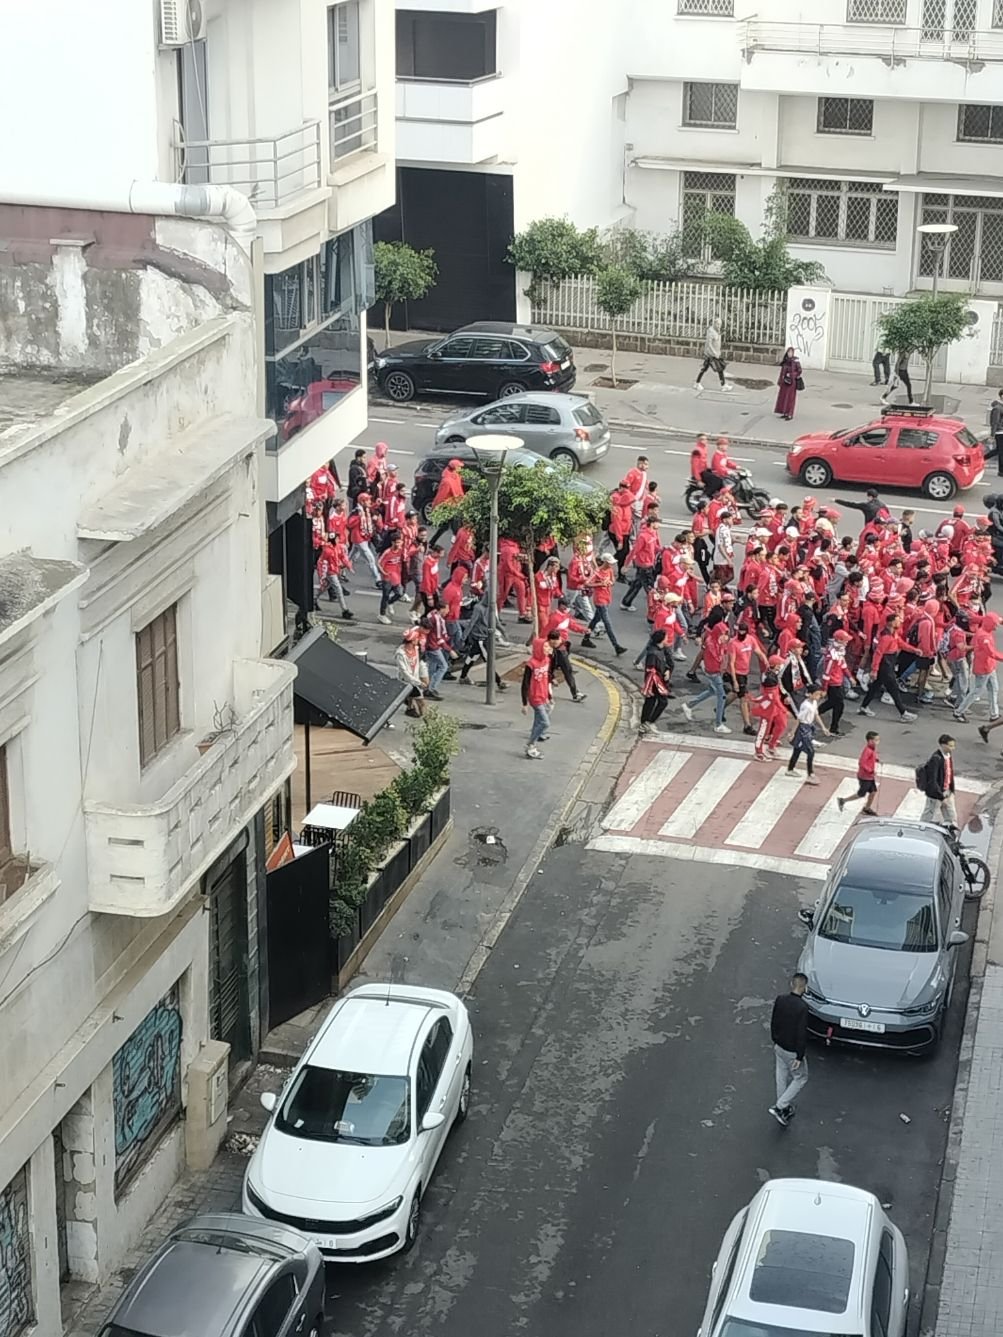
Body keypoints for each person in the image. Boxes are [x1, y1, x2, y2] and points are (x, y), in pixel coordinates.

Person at [769, 973, 809, 1128]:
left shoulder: (780, 1000)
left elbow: (774, 1021)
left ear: (791, 984)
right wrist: (800, 1056)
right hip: (792, 1050)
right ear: (804, 987)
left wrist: (775, 1039)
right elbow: (801, 1033)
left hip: (779, 1046)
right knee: (801, 1077)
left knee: (781, 1074)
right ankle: (780, 1106)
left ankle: (784, 1108)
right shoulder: (802, 1008)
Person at [786, 685, 829, 784]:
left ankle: (790, 769)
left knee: (797, 749)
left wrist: (823, 728)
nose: (819, 696)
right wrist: (792, 733)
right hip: (803, 729)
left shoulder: (814, 702)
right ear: (809, 694)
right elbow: (799, 719)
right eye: (817, 694)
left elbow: (816, 714)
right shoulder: (806, 706)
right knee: (810, 751)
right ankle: (810, 774)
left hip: (808, 727)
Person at [587, 554, 628, 654]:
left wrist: (610, 582)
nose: (612, 565)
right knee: (607, 622)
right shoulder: (597, 572)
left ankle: (586, 637)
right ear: (605, 562)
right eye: (610, 563)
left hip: (607, 597)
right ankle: (616, 645)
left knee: (596, 619)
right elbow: (587, 583)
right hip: (600, 599)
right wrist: (600, 584)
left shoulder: (609, 570)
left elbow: (613, 581)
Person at [521, 637, 554, 760]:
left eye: (548, 646)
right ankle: (530, 744)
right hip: (535, 697)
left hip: (543, 695)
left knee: (537, 722)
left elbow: (546, 678)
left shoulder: (547, 660)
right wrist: (524, 703)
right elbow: (525, 684)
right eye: (545, 647)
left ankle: (532, 747)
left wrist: (549, 696)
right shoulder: (531, 664)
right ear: (539, 648)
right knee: (545, 723)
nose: (548, 648)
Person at [838, 731, 881, 817]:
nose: (878, 741)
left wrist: (875, 759)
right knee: (861, 794)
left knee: (873, 792)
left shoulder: (872, 749)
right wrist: (870, 770)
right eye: (876, 740)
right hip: (865, 777)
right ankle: (843, 800)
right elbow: (862, 763)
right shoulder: (867, 750)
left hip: (870, 776)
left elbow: (871, 757)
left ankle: (867, 808)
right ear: (870, 740)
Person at [919, 734, 957, 825]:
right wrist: (941, 796)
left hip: (947, 791)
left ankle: (951, 831)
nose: (953, 748)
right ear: (943, 745)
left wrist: (951, 789)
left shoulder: (948, 756)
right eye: (950, 746)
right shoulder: (936, 759)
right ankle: (921, 828)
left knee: (951, 816)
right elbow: (933, 779)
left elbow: (949, 773)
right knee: (929, 814)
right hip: (936, 793)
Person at [639, 629, 672, 734]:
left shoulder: (659, 650)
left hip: (657, 680)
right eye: (666, 637)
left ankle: (645, 722)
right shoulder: (653, 653)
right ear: (661, 640)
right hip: (655, 682)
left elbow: (663, 663)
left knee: (650, 701)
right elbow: (651, 670)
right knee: (662, 701)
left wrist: (666, 670)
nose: (668, 638)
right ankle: (649, 722)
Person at [395, 628, 429, 717]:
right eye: (416, 639)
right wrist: (419, 683)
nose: (418, 640)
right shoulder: (400, 654)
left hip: (415, 679)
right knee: (421, 703)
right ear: (412, 641)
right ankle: (426, 721)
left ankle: (409, 706)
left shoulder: (416, 649)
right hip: (408, 682)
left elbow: (419, 662)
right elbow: (405, 673)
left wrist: (423, 675)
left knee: (412, 697)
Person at [694, 317, 731, 392]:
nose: (719, 326)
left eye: (720, 324)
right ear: (714, 323)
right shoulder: (711, 332)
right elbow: (709, 344)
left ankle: (697, 383)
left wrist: (718, 352)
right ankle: (723, 385)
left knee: (707, 368)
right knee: (717, 369)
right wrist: (714, 352)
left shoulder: (717, 331)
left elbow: (717, 343)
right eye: (717, 324)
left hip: (714, 354)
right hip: (710, 355)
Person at [774, 347, 802, 421]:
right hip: (784, 382)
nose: (790, 354)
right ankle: (784, 412)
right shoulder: (785, 361)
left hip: (792, 383)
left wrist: (791, 375)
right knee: (783, 397)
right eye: (788, 352)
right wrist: (780, 380)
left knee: (790, 398)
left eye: (791, 352)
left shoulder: (795, 361)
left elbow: (799, 371)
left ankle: (790, 414)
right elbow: (782, 372)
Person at [989, 389, 1003, 476]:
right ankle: (1001, 471)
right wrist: (992, 435)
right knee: (1001, 452)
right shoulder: (997, 408)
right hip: (1000, 433)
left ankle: (981, 459)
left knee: (998, 451)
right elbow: (995, 422)